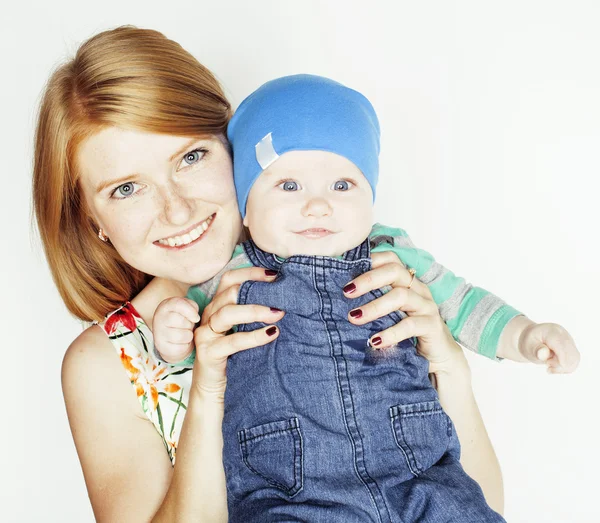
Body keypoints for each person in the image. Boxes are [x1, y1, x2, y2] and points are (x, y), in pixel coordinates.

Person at [34, 26, 504, 522]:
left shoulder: (365, 272)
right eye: (126, 189)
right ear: (92, 222)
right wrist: (207, 392)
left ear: (235, 147)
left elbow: (482, 507)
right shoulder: (107, 363)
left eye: (191, 157)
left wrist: (448, 364)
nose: (176, 211)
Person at [152, 75, 579, 521]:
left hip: (417, 472)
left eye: (342, 186)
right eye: (289, 186)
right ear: (245, 206)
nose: (318, 206)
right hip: (292, 489)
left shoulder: (395, 256)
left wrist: (527, 334)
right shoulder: (230, 276)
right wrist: (174, 330)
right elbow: (196, 354)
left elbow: (465, 305)